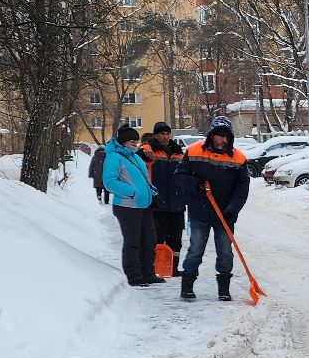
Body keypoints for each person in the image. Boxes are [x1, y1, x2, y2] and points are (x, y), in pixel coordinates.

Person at [173, 117, 250, 302]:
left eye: (225, 137)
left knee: (225, 252)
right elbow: (179, 175)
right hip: (200, 211)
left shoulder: (238, 158)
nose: (221, 141)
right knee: (196, 249)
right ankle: (187, 286)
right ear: (211, 136)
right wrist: (196, 184)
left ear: (229, 138)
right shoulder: (194, 152)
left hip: (225, 215)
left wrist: (233, 208)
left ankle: (224, 289)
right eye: (217, 136)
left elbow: (242, 187)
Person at [101, 125, 161, 286]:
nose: (135, 145)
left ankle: (148, 273)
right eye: (132, 142)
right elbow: (109, 181)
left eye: (136, 142)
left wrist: (152, 191)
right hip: (127, 206)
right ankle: (134, 276)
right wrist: (132, 192)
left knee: (149, 240)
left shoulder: (135, 157)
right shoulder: (114, 157)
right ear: (123, 142)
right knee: (133, 241)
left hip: (144, 205)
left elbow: (143, 178)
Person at [139, 121, 184, 272]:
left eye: (167, 134)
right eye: (161, 134)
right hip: (158, 202)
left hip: (177, 202)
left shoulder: (178, 152)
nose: (165, 137)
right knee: (157, 237)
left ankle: (173, 267)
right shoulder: (148, 150)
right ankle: (156, 267)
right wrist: (144, 155)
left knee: (176, 238)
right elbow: (138, 160)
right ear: (156, 135)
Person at [88, 140, 110, 204]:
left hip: (97, 175)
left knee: (98, 189)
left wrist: (91, 174)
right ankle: (106, 201)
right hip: (106, 176)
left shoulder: (95, 157)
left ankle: (99, 198)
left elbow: (91, 166)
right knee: (106, 190)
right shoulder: (108, 156)